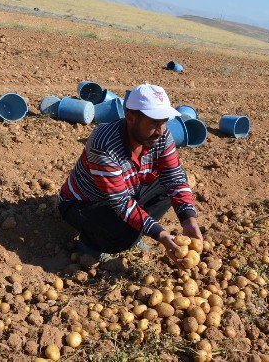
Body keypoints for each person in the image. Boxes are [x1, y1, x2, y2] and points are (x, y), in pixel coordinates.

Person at [57, 83, 203, 267]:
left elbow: (174, 176)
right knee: (123, 237)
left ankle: (137, 229)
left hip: (126, 191)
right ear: (130, 117)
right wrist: (161, 235)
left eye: (164, 121)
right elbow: (121, 203)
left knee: (171, 184)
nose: (160, 131)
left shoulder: (161, 136)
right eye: (153, 123)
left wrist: (188, 218)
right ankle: (89, 244)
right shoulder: (104, 144)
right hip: (83, 203)